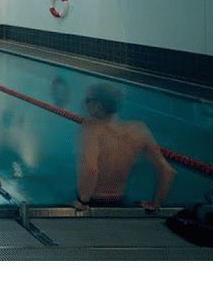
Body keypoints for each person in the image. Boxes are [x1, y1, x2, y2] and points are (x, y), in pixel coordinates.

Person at [72, 84, 176, 212]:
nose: (84, 104)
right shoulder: (139, 129)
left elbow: (90, 170)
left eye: (87, 100)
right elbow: (167, 171)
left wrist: (83, 201)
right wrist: (155, 204)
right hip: (120, 201)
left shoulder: (91, 129)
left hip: (93, 201)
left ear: (98, 105)